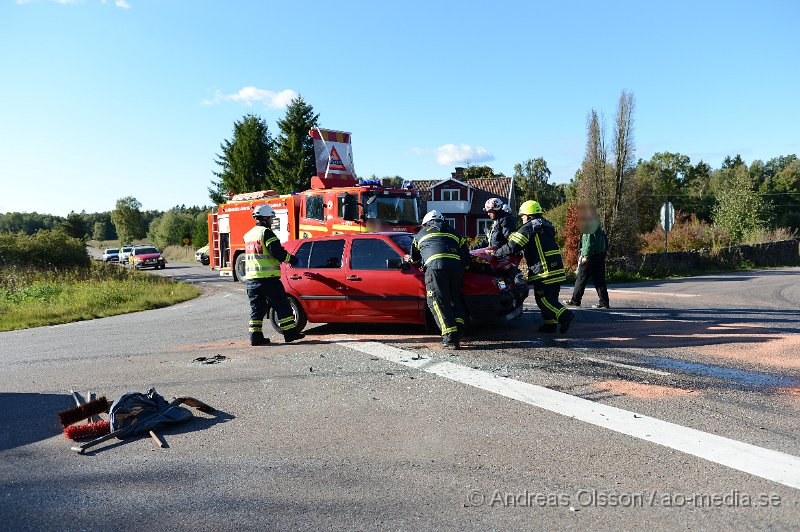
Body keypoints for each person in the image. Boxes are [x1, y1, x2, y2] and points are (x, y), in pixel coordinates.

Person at [490, 200, 574, 334]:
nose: (522, 219)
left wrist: (496, 253)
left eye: (522, 216)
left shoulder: (529, 227)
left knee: (543, 299)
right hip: (556, 267)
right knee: (551, 298)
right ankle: (549, 325)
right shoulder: (546, 225)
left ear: (528, 215)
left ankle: (565, 315)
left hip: (543, 270)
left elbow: (513, 246)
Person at [244, 204, 305, 346]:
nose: (272, 219)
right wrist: (293, 260)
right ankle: (290, 333)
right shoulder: (266, 233)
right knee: (282, 305)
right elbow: (276, 252)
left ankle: (255, 337)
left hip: (252, 280)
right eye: (271, 217)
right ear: (265, 218)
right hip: (268, 279)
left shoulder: (248, 235)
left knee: (256, 309)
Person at [407, 210, 469, 349]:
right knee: (455, 300)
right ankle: (458, 332)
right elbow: (466, 255)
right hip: (456, 269)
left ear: (425, 223)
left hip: (435, 269)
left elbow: (414, 259)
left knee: (436, 301)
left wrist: (410, 260)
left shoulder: (420, 234)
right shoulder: (454, 232)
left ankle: (450, 338)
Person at [565, 209, 610, 309]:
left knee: (581, 279)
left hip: (590, 257)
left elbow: (588, 243)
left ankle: (575, 301)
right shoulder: (597, 227)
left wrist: (585, 256)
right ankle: (604, 302)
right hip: (599, 256)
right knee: (599, 280)